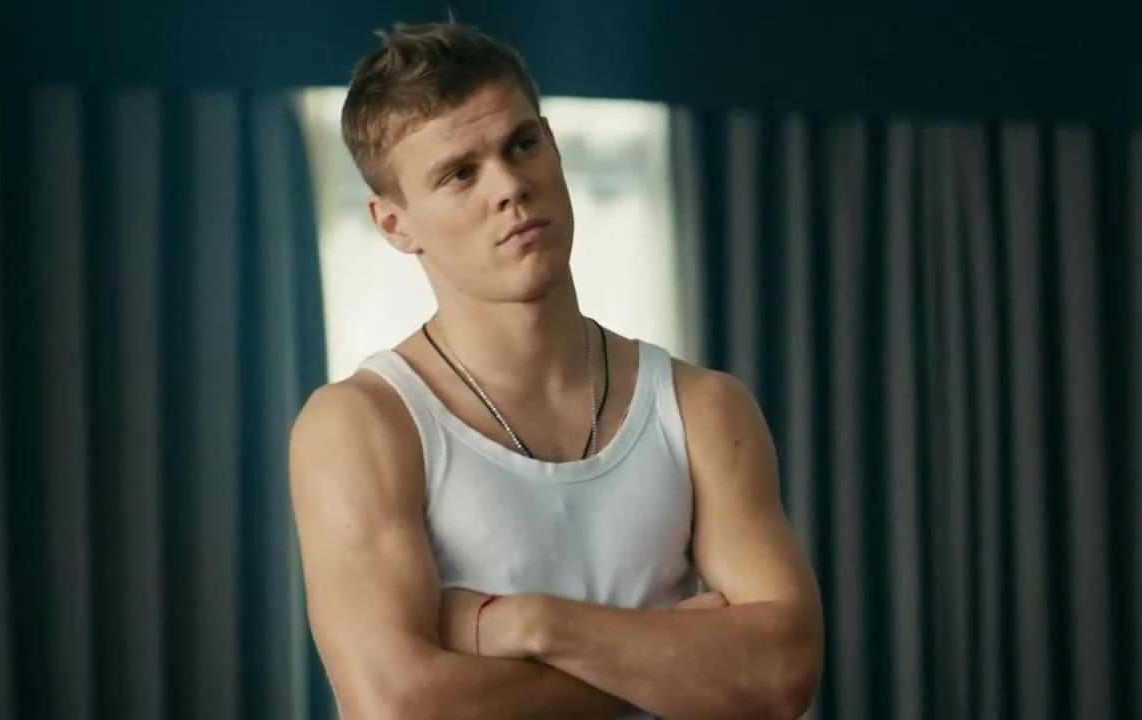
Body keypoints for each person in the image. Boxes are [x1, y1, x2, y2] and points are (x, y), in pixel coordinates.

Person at [288, 21, 822, 719]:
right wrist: (678, 655)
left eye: (522, 145)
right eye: (460, 173)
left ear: (553, 145)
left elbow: (781, 674)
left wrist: (532, 623)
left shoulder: (702, 408)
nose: (510, 185)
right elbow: (399, 709)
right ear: (394, 224)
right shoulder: (362, 425)